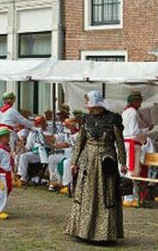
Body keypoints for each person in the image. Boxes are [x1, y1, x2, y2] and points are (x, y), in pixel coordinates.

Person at [66, 90, 125, 245]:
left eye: (88, 104)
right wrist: (74, 162)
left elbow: (119, 143)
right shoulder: (86, 120)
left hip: (107, 160)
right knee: (87, 194)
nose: (87, 107)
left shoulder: (112, 119)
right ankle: (83, 231)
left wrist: (123, 162)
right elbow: (79, 142)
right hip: (88, 161)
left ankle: (104, 233)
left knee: (106, 195)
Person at [121, 91, 152, 207]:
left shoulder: (125, 111)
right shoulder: (133, 113)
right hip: (132, 142)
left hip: (126, 142)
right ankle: (129, 198)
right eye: (139, 101)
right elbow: (134, 131)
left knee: (126, 170)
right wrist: (146, 130)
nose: (140, 103)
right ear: (134, 101)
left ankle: (127, 196)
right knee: (132, 170)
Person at [16, 115, 53, 187]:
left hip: (44, 154)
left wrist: (41, 133)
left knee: (24, 156)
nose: (37, 125)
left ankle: (25, 177)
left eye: (39, 123)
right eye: (36, 123)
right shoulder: (32, 133)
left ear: (43, 123)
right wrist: (22, 147)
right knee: (22, 156)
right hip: (34, 153)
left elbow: (49, 143)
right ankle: (23, 177)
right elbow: (28, 146)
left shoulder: (48, 131)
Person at [47, 117, 79, 195]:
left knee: (66, 162)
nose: (66, 126)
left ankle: (67, 186)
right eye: (65, 125)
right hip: (67, 154)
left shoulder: (79, 134)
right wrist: (54, 144)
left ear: (74, 124)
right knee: (52, 158)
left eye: (68, 124)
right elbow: (66, 144)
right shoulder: (69, 133)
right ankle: (54, 181)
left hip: (76, 157)